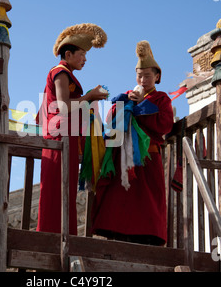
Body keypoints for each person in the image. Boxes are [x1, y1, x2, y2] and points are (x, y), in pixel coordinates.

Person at [91, 40, 174, 245]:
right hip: (124, 155)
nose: (143, 79)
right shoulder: (128, 96)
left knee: (147, 199)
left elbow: (165, 124)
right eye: (139, 75)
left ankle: (148, 236)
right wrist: (125, 104)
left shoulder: (162, 99)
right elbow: (112, 121)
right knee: (121, 196)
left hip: (148, 156)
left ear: (157, 77)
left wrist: (142, 107)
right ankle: (115, 232)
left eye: (147, 75)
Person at [36, 23, 108, 235]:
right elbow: (64, 106)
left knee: (64, 190)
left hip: (66, 138)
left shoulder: (66, 73)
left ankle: (63, 235)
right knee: (56, 189)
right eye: (82, 54)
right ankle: (52, 237)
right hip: (59, 139)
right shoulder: (60, 73)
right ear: (68, 53)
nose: (85, 59)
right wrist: (89, 97)